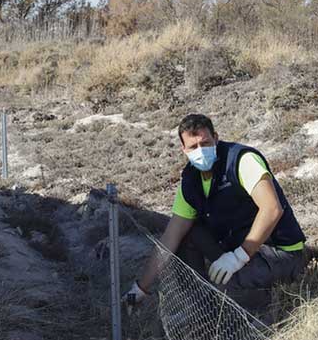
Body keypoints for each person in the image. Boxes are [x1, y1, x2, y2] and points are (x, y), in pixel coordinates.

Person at [125, 114, 307, 305]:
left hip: (279, 251)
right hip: (236, 249)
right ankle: (198, 303)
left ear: (216, 138)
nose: (200, 151)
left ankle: (254, 312)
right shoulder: (190, 181)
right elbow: (171, 237)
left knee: (225, 284)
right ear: (184, 149)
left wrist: (238, 257)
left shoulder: (241, 160)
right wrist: (140, 288)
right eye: (193, 147)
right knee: (188, 234)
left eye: (205, 143)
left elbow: (272, 209)